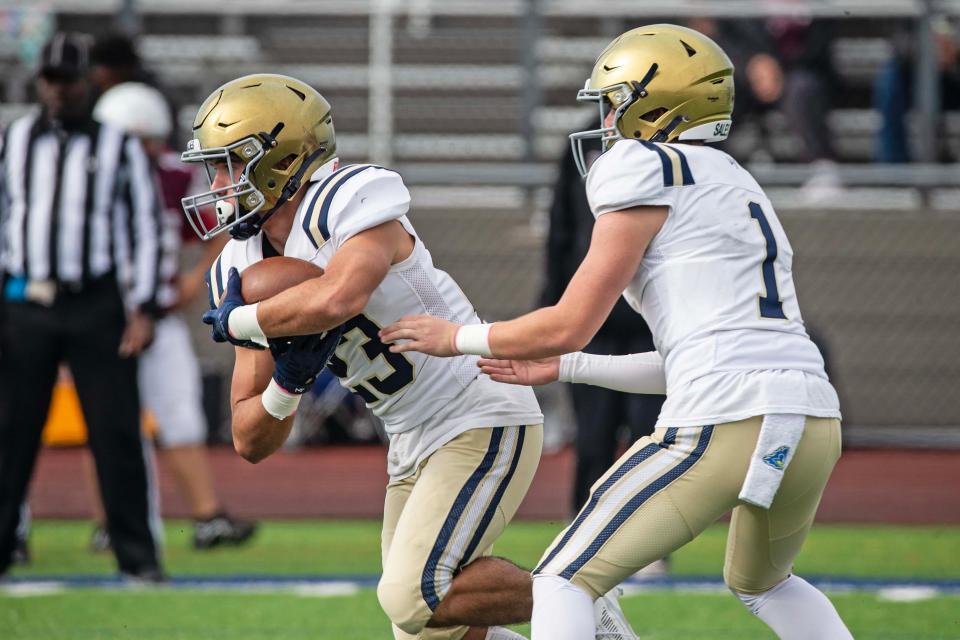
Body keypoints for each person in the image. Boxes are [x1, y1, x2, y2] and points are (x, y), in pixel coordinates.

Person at [378, 24, 853, 640]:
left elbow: (570, 321)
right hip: (813, 417)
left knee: (559, 580)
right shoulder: (735, 179)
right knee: (766, 583)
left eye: (616, 100)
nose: (606, 117)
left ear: (658, 107)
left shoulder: (640, 164)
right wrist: (570, 367)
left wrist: (458, 338)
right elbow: (693, 358)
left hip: (726, 418)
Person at [188, 74, 555, 640]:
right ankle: (577, 613)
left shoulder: (350, 197)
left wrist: (242, 322)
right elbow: (248, 438)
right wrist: (286, 383)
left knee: (413, 595)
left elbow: (340, 296)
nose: (215, 183)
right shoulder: (238, 267)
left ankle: (576, 592)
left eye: (228, 164)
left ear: (280, 159)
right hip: (407, 436)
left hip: (475, 406)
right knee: (427, 629)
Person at [0, 32, 164, 581]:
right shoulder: (14, 139)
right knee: (11, 431)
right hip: (26, 300)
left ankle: (137, 558)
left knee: (115, 431)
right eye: (50, 79)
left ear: (86, 83)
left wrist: (143, 307)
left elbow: (145, 226)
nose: (57, 90)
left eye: (67, 79)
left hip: (95, 302)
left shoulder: (117, 145)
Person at [87, 81, 256, 550]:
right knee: (104, 422)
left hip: (157, 319)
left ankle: (206, 517)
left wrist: (194, 278)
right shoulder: (80, 174)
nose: (149, 151)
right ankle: (110, 521)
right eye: (140, 141)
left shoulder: (173, 178)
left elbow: (220, 231)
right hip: (98, 321)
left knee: (181, 418)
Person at [542, 122, 664, 518]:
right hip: (593, 319)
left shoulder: (673, 156)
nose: (608, 114)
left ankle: (649, 539)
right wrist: (552, 303)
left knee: (651, 435)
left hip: (652, 322)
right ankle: (582, 527)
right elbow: (560, 230)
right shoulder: (585, 144)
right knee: (592, 438)